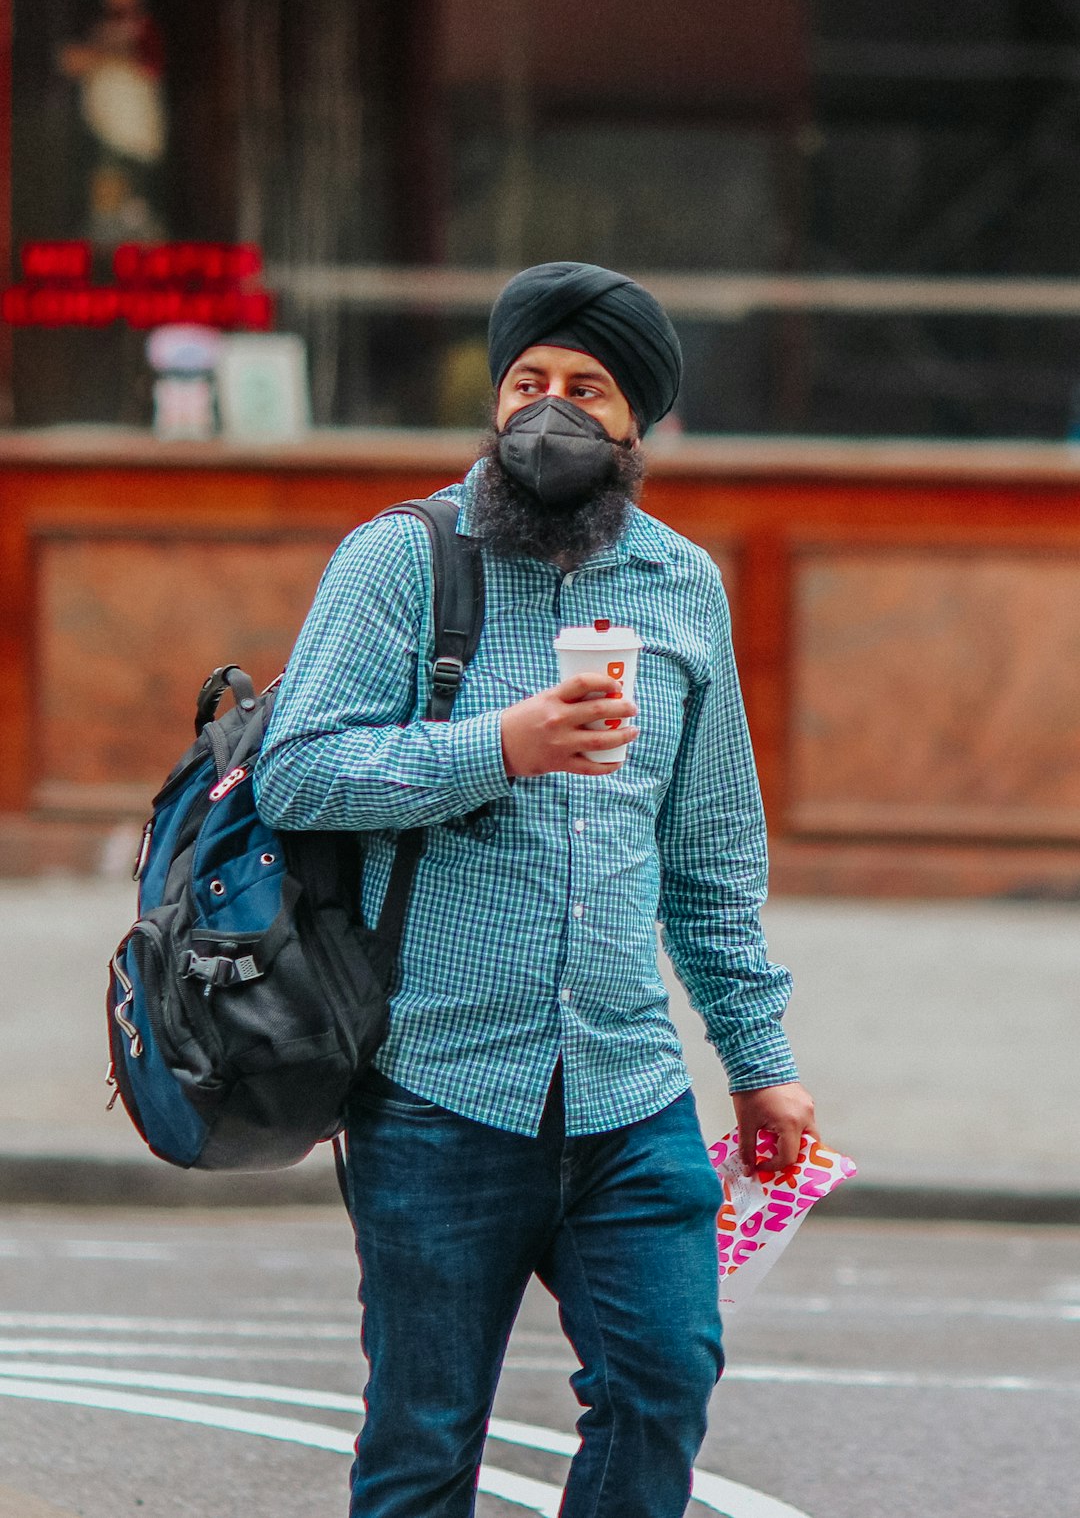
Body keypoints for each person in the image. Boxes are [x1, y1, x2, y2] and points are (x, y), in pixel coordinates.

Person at [254, 260, 817, 1518]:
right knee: (423, 1438)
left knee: (664, 1380)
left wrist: (759, 1055)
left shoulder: (684, 589)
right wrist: (498, 746)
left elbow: (713, 857)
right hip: (438, 1088)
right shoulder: (402, 560)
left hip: (629, 1090)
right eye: (526, 382)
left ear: (638, 424)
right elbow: (295, 774)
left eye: (587, 388)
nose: (548, 410)